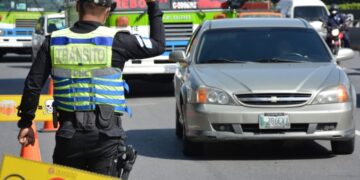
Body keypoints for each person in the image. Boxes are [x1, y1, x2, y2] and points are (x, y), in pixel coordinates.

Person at [17, 0, 164, 178]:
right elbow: (158, 44)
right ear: (108, 11)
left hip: (68, 135)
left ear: (78, 6)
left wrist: (26, 123)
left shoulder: (54, 41)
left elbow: (33, 84)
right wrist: (153, 5)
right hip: (107, 136)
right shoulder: (118, 40)